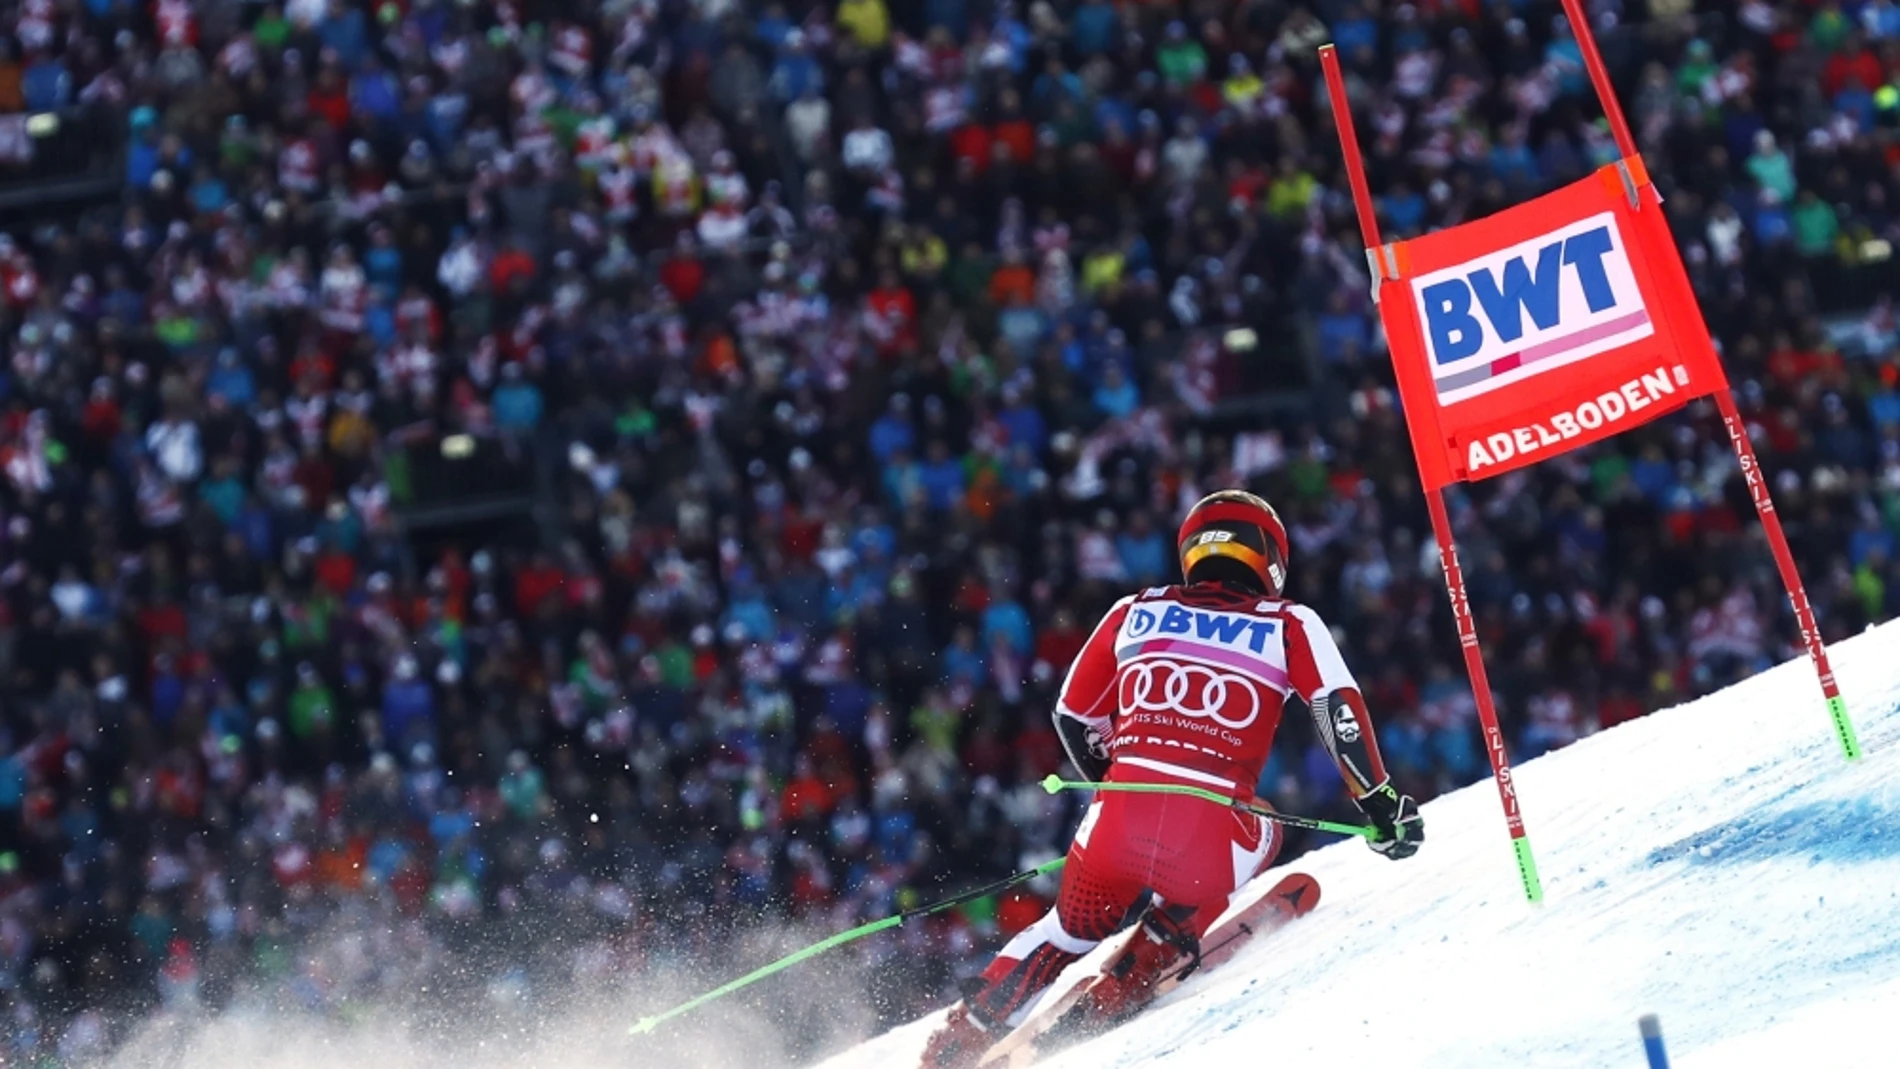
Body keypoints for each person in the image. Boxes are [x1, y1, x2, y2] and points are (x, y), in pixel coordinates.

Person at [920, 490, 1426, 1067]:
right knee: (1264, 823)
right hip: (1205, 845)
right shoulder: (1289, 622)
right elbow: (1337, 711)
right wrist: (1381, 804)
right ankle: (1145, 958)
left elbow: (1071, 714)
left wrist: (1117, 787)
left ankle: (961, 1036)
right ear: (1272, 559)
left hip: (1110, 834)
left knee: (1065, 931)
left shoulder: (1134, 609)